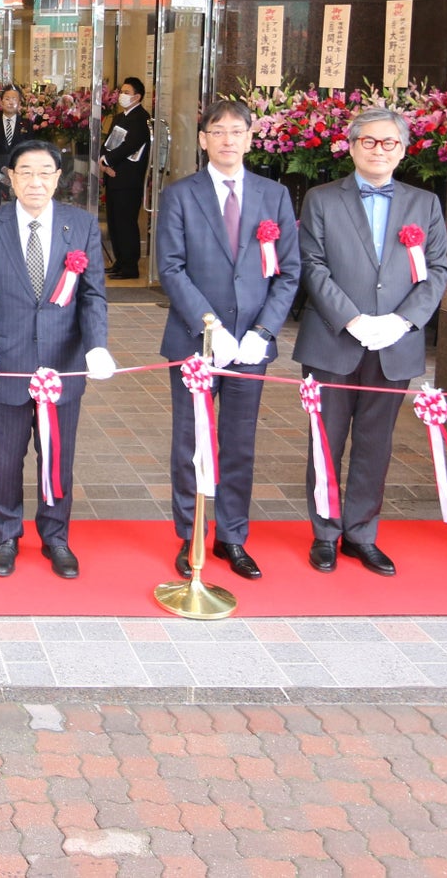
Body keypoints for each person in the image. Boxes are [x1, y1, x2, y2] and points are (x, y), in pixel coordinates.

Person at [292, 107, 447, 577]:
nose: (379, 150)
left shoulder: (425, 204)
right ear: (352, 145)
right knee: (326, 440)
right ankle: (324, 531)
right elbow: (312, 264)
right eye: (369, 142)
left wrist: (403, 322)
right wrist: (352, 319)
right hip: (334, 341)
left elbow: (437, 270)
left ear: (403, 150)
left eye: (389, 143)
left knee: (375, 443)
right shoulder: (321, 198)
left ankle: (362, 532)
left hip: (395, 345)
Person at [0, 139, 115, 579]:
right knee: (5, 459)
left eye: (45, 171)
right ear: (10, 178)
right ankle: (5, 535)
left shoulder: (80, 226)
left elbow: (93, 295)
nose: (35, 180)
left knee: (57, 456)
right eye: (25, 172)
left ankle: (56, 536)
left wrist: (97, 344)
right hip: (4, 362)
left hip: (62, 363)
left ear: (59, 178)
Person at [157, 100, 300, 582]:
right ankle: (189, 533)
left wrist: (264, 332)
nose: (227, 140)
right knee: (190, 442)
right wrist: (208, 325)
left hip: (251, 345)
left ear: (250, 138)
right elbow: (171, 267)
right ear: (203, 140)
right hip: (196, 341)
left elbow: (288, 271)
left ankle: (233, 536)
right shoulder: (180, 195)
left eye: (236, 131)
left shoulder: (274, 195)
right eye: (217, 132)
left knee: (239, 442)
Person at [98, 77, 152, 279]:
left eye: (127, 92)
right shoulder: (120, 118)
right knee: (114, 222)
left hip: (128, 179)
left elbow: (130, 146)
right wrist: (103, 160)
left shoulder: (141, 118)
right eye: (122, 91)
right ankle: (119, 261)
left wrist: (109, 161)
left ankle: (130, 266)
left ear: (137, 96)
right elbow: (109, 141)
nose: (122, 95)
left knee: (126, 223)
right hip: (113, 177)